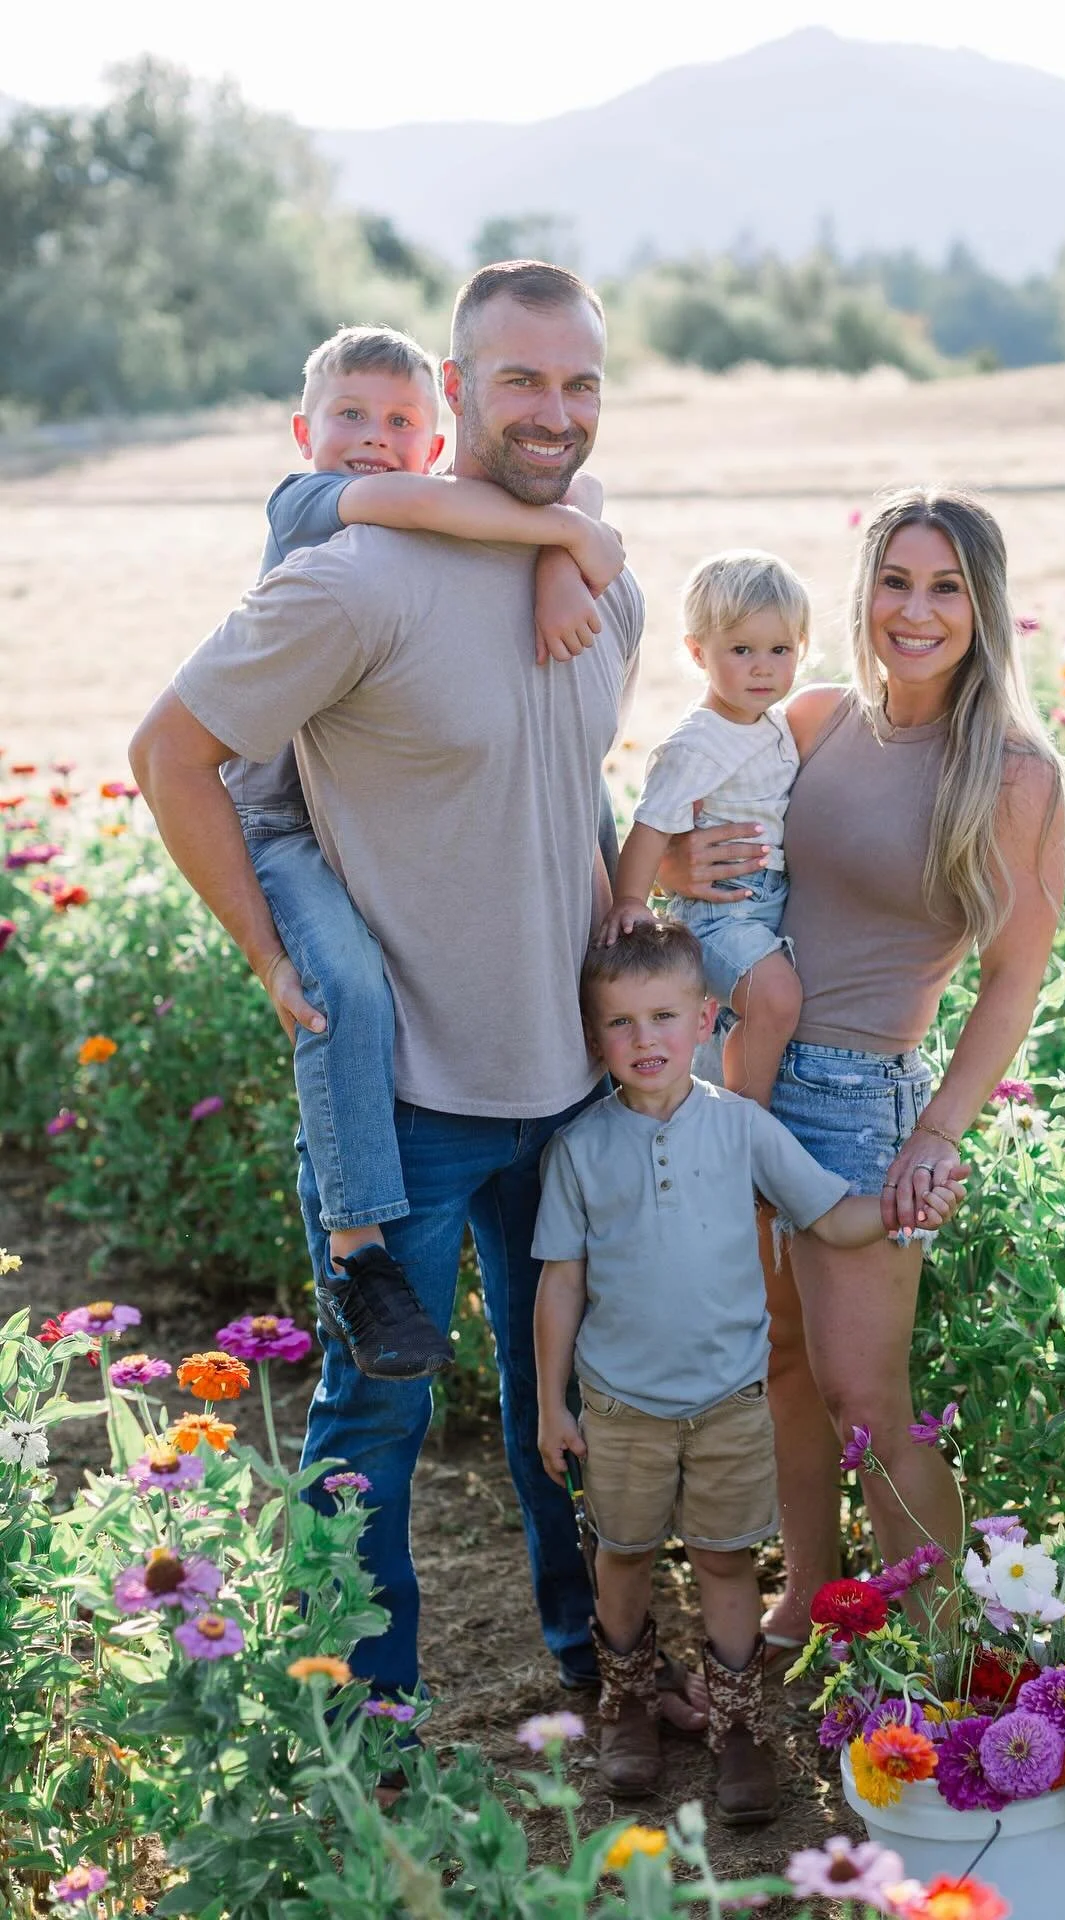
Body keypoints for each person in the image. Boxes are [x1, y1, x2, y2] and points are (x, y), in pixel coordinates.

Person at [130, 260, 655, 1703]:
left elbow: (570, 793)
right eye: (523, 379)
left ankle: (601, 1668)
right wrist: (272, 951)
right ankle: (361, 1721)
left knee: (575, 1400)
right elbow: (171, 758)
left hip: (570, 1088)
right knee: (376, 1417)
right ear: (459, 389)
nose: (554, 410)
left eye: (581, 381)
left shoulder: (603, 582)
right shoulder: (350, 578)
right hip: (414, 1093)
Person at [656, 487, 1065, 1653]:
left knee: (867, 1400)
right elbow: (723, 866)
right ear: (865, 592)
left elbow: (1011, 980)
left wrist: (935, 1134)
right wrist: (682, 866)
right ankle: (809, 1597)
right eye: (897, 581)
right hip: (745, 1073)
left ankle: (944, 1658)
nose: (917, 610)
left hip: (861, 1103)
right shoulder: (813, 721)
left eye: (946, 588)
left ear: (984, 607)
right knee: (777, 1361)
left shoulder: (1013, 776)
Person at [232, 322, 626, 1380]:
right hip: (282, 827)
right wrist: (570, 537)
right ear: (303, 428)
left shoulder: (456, 532)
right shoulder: (306, 502)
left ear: (436, 427)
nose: (373, 437)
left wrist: (561, 549)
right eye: (350, 415)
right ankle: (357, 1251)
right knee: (347, 993)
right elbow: (438, 500)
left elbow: (556, 499)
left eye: (401, 421)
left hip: (366, 823)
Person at [532, 921, 960, 1821]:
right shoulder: (579, 1149)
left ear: (706, 1021)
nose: (644, 1040)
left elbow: (830, 1218)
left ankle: (737, 1729)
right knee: (623, 1557)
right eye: (619, 1023)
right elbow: (561, 1284)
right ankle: (628, 1711)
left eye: (663, 1016)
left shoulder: (743, 1130)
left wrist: (905, 1204)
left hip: (729, 1401)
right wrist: (550, 1404)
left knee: (728, 1563)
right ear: (592, 1036)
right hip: (619, 1405)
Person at [598, 551, 808, 1104]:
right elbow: (652, 823)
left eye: (780, 650)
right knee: (776, 996)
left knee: (736, 1023)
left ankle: (723, 1096)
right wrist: (630, 900)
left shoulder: (773, 724)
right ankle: (749, 1110)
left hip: (764, 905)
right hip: (719, 916)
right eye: (741, 650)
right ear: (697, 652)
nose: (762, 667)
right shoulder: (700, 740)